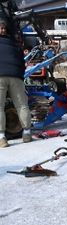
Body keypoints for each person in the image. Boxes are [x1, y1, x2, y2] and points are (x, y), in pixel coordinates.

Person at [0, 18, 32, 147]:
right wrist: (20, 75)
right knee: (22, 105)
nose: (3, 30)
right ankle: (27, 134)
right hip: (16, 76)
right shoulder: (14, 43)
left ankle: (2, 138)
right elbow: (22, 62)